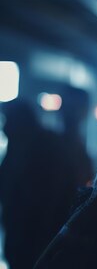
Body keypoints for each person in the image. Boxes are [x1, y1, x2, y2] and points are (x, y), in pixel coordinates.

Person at [0, 99, 77, 269]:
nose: (4, 128)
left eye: (8, 120)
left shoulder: (44, 148)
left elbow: (50, 198)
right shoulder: (20, 148)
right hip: (25, 239)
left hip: (38, 239)